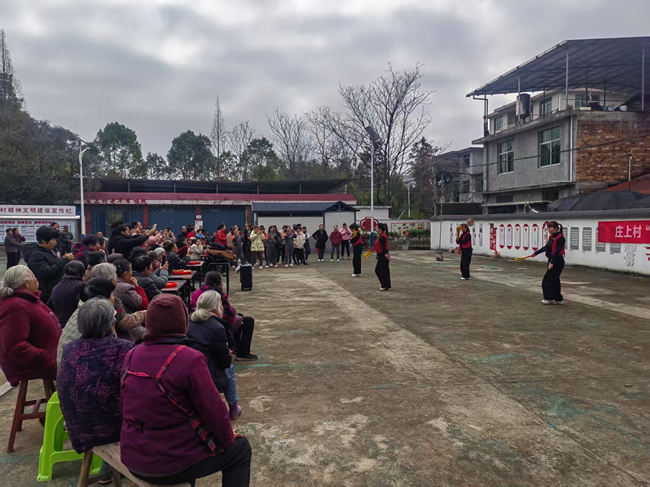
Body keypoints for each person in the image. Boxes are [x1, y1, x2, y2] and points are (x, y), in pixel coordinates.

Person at [120, 294, 252, 486]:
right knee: (240, 450)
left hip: (133, 457)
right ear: (183, 323)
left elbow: (124, 406)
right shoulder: (189, 359)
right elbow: (213, 410)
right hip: (169, 464)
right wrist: (228, 438)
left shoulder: (131, 354)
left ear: (149, 323)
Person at [57, 298, 132, 454]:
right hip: (116, 430)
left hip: (80, 432)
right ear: (111, 325)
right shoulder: (124, 348)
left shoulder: (70, 349)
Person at [0, 266, 61, 387]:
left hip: (51, 356)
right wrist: (47, 356)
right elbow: (15, 347)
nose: (36, 279)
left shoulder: (28, 300)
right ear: (26, 283)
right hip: (35, 364)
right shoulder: (15, 307)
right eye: (34, 277)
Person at [188, 290, 243, 420]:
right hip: (206, 371)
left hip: (189, 367)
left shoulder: (189, 321)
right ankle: (233, 407)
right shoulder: (217, 327)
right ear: (214, 309)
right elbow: (224, 361)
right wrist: (227, 353)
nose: (222, 308)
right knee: (229, 368)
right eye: (220, 305)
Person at [191, 272, 257, 361]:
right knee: (248, 321)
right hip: (214, 322)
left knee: (240, 317)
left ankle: (236, 347)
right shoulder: (218, 294)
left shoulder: (196, 293)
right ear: (220, 283)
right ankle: (243, 352)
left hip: (197, 320)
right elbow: (230, 316)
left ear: (205, 282)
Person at [91, 266, 147, 343]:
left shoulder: (88, 295)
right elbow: (124, 323)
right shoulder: (112, 298)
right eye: (116, 276)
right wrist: (144, 314)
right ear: (111, 281)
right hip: (119, 340)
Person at [23, 226, 74, 305]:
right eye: (53, 240)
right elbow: (47, 272)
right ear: (43, 240)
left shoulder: (49, 252)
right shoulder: (36, 255)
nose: (55, 243)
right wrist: (64, 260)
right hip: (45, 295)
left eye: (56, 240)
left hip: (53, 292)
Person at [530, 221, 566, 305]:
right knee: (554, 280)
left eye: (550, 228)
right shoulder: (551, 237)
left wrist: (552, 262)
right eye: (548, 228)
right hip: (551, 259)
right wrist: (536, 253)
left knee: (547, 280)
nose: (548, 229)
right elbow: (546, 247)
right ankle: (558, 299)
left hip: (557, 261)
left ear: (556, 228)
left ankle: (549, 298)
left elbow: (557, 251)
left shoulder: (560, 238)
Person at [48, 260, 87, 327]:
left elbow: (49, 306)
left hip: (59, 323)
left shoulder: (56, 287)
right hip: (76, 323)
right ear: (81, 272)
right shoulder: (82, 285)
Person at [374, 223, 391, 291]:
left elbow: (383, 246)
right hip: (383, 254)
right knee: (385, 270)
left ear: (380, 229)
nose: (376, 229)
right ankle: (387, 285)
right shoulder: (382, 236)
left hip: (383, 255)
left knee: (378, 270)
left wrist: (385, 254)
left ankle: (384, 284)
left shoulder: (382, 237)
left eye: (376, 228)